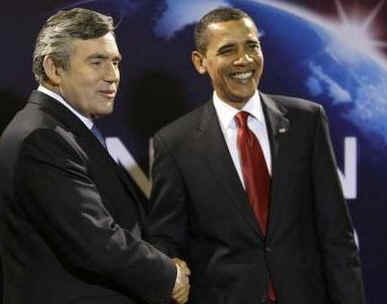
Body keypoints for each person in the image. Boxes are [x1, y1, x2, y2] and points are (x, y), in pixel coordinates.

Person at [147, 7, 366, 304]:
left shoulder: (307, 121)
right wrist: (171, 266)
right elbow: (166, 237)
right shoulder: (174, 143)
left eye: (252, 46)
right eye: (227, 50)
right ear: (201, 62)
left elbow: (336, 234)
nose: (244, 59)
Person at [0, 8, 190, 304]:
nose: (112, 76)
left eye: (115, 62)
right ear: (54, 69)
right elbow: (96, 239)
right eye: (97, 62)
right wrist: (169, 274)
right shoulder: (41, 137)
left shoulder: (61, 128)